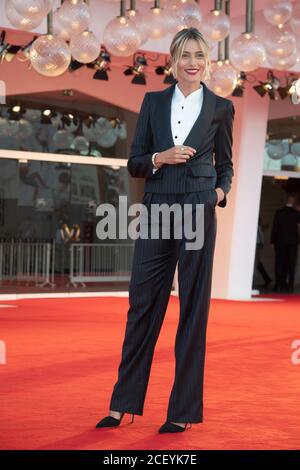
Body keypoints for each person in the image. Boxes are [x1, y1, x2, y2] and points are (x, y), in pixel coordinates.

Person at [96, 28, 235, 433]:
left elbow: (225, 164)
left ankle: (182, 411)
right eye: (185, 54)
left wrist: (218, 194)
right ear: (172, 60)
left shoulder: (221, 108)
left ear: (208, 60)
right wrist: (161, 156)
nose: (192, 62)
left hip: (198, 209)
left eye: (199, 55)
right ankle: (123, 404)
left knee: (193, 310)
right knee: (142, 304)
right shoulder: (153, 102)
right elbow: (136, 162)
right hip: (157, 209)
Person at [271, 194, 300, 293]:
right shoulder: (296, 213)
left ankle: (278, 285)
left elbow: (275, 227)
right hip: (293, 243)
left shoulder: (279, 212)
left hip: (280, 242)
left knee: (279, 263)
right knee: (291, 264)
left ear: (286, 200)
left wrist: (272, 241)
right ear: (293, 201)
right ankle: (290, 285)